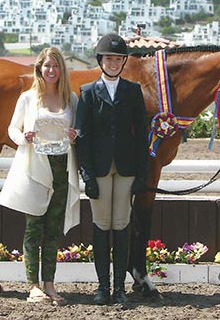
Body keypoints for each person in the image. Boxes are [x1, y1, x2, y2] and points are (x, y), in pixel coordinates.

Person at [0, 47, 80, 305]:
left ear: (61, 70)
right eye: (47, 66)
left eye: (56, 66)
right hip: (35, 166)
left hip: (62, 168)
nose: (51, 70)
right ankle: (32, 285)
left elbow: (79, 129)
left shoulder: (71, 99)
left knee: (53, 230)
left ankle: (50, 284)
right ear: (39, 69)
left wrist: (76, 135)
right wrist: (24, 138)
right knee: (34, 228)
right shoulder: (27, 98)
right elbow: (12, 128)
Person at [75, 34, 149, 305]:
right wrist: (87, 174)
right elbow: (82, 138)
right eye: (110, 59)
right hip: (100, 168)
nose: (114, 63)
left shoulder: (133, 91)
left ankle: (119, 287)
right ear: (101, 61)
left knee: (121, 224)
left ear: (123, 62)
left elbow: (142, 135)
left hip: (127, 168)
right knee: (101, 224)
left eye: (118, 59)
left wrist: (143, 172)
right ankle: (102, 287)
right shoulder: (88, 92)